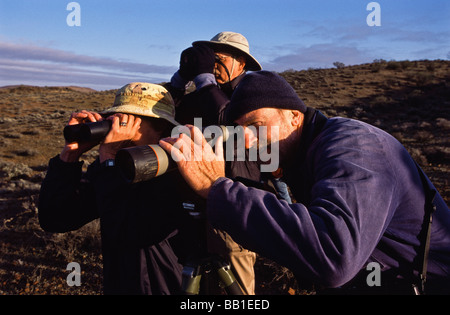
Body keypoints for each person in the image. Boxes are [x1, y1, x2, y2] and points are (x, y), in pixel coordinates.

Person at [159, 71, 450, 294]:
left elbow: (334, 256)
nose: (246, 140)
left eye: (256, 125)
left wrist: (217, 188)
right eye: (239, 130)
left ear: (294, 118)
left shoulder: (355, 146)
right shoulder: (303, 156)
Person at [38, 82, 190, 295]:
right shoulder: (113, 171)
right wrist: (69, 157)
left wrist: (108, 160)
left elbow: (131, 232)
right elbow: (55, 218)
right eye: (116, 120)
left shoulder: (178, 173)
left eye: (130, 120)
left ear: (162, 128)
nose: (119, 129)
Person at [165, 31, 264, 295]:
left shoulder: (253, 93)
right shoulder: (202, 94)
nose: (213, 67)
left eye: (220, 60)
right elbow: (162, 116)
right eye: (209, 61)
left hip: (236, 205)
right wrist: (179, 80)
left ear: (241, 63)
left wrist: (205, 81)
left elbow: (227, 118)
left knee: (237, 284)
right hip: (195, 207)